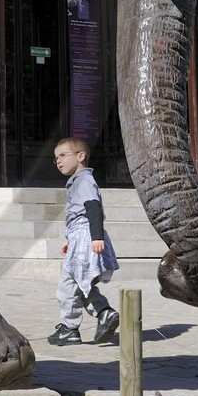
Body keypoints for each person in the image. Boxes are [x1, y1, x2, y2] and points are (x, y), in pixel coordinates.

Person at [48, 137, 120, 345]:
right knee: (80, 284)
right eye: (56, 159)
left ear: (81, 156)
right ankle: (104, 313)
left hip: (86, 236)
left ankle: (70, 328)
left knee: (66, 286)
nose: (59, 161)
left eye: (63, 155)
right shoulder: (78, 181)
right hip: (79, 237)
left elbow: (93, 208)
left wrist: (96, 237)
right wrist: (70, 241)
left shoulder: (84, 180)